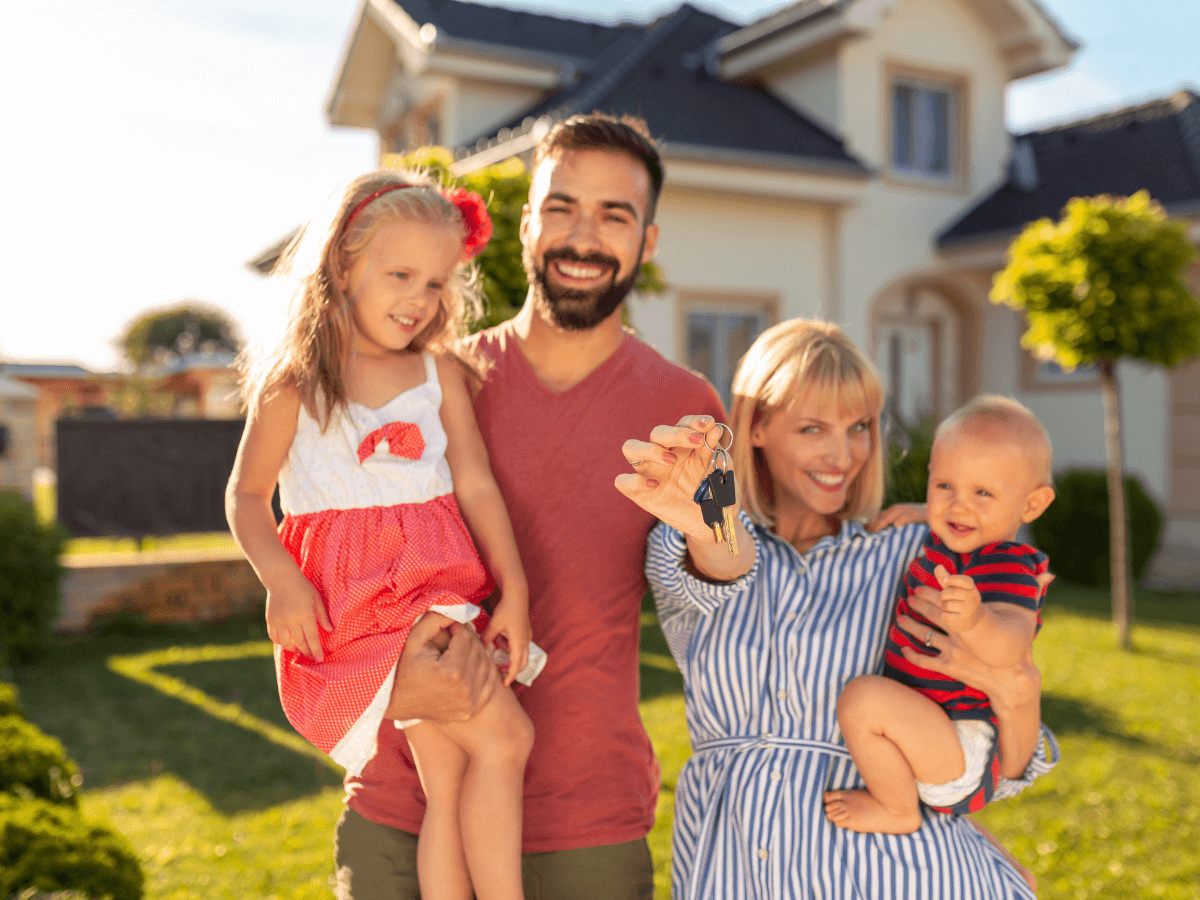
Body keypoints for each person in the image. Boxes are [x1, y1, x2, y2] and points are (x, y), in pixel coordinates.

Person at [331, 114, 725, 900]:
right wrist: (382, 682)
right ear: (525, 226)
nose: (584, 236)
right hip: (405, 814)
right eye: (562, 207)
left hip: (585, 830)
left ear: (647, 243)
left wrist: (719, 526)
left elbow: (723, 592)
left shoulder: (688, 408)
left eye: (615, 215)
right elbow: (330, 569)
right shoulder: (426, 383)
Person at [616, 319, 1059, 900]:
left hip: (902, 876)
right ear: (757, 428)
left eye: (859, 427)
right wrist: (712, 511)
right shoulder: (695, 542)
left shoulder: (915, 552)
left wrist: (1017, 694)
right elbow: (726, 556)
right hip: (735, 869)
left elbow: (990, 747)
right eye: (811, 427)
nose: (842, 453)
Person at [226, 169, 547, 900]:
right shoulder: (296, 382)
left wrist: (517, 589)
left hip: (435, 589)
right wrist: (281, 579)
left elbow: (476, 485)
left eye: (435, 284)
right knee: (508, 738)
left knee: (451, 775)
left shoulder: (438, 373)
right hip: (366, 603)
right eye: (400, 273)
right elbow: (246, 497)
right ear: (343, 265)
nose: (418, 299)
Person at [824, 396, 1055, 834]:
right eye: (945, 487)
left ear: (1031, 505)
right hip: (933, 729)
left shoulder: (1007, 563)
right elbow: (949, 514)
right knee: (865, 704)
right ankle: (897, 799)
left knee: (863, 699)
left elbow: (1013, 642)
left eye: (982, 493)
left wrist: (976, 622)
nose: (959, 507)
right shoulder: (952, 544)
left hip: (962, 740)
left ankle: (897, 811)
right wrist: (922, 513)